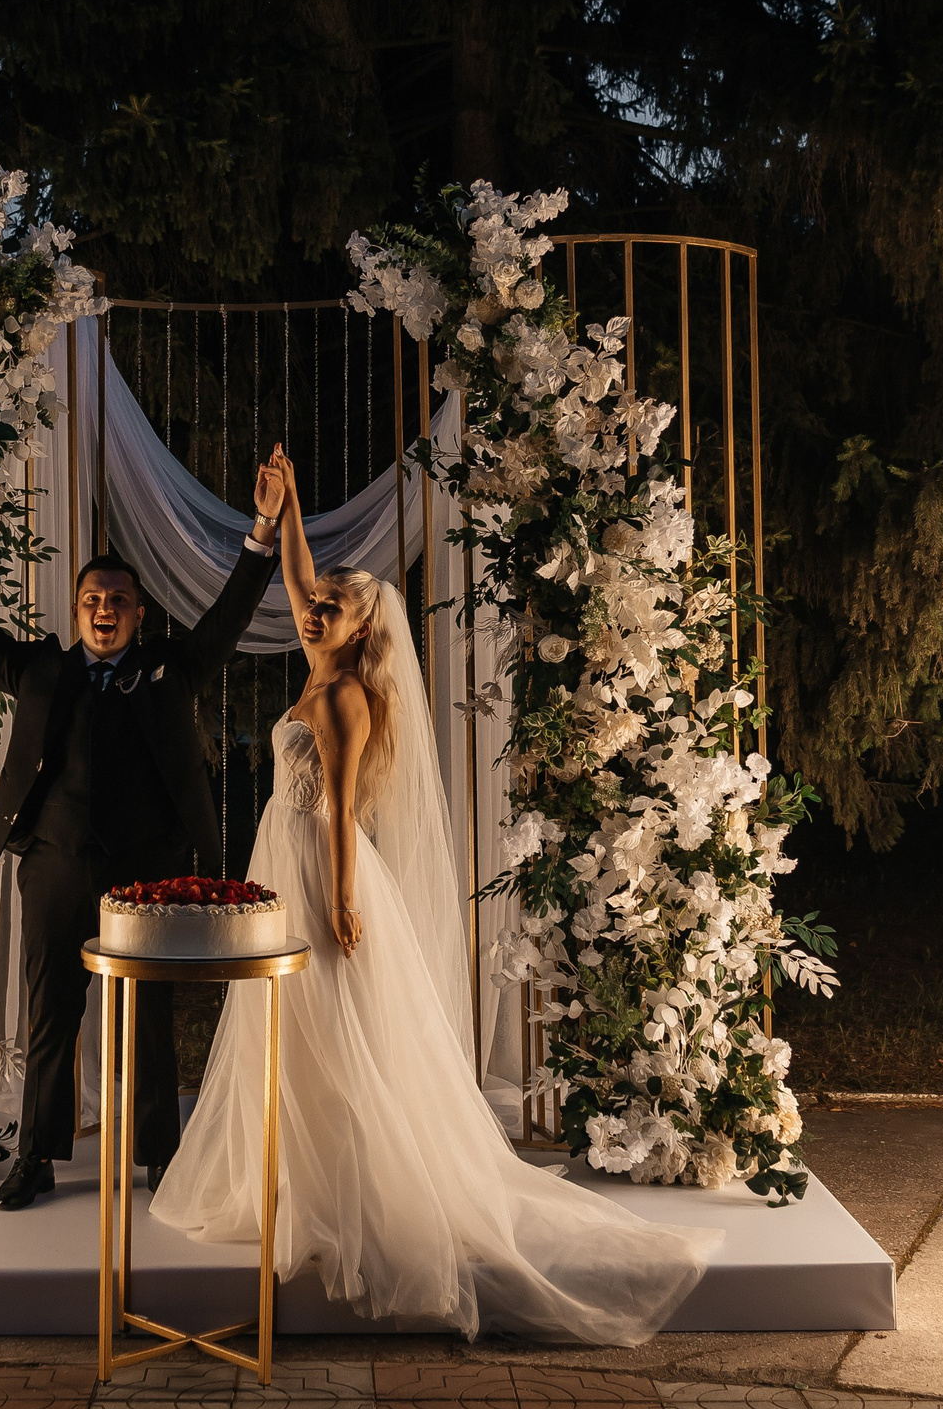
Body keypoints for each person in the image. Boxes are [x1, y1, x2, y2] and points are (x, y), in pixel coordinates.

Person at [152, 447, 719, 1343]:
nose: (315, 606)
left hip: (316, 865)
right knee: (292, 1028)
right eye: (318, 600)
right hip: (285, 860)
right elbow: (299, 575)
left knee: (335, 1028)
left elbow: (340, 810)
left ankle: (356, 1193)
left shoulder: (343, 697)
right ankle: (297, 1175)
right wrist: (291, 503)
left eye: (334, 606)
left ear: (360, 632)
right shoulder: (321, 661)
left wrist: (339, 897)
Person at [0, 462, 283, 1210]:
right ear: (76, 611)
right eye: (94, 599)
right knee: (51, 1014)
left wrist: (261, 532)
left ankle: (161, 1157)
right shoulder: (40, 668)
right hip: (55, 866)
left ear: (140, 613)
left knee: (151, 1017)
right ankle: (35, 1154)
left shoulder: (173, 668)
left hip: (149, 873)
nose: (107, 609)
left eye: (120, 600)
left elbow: (229, 616)